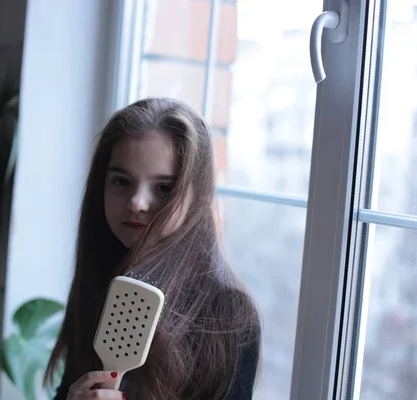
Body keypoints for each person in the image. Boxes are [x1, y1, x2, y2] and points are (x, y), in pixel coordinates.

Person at [45, 98, 261, 399]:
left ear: (196, 197)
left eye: (163, 188)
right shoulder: (99, 276)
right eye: (122, 181)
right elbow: (69, 385)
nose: (137, 203)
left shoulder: (229, 315)